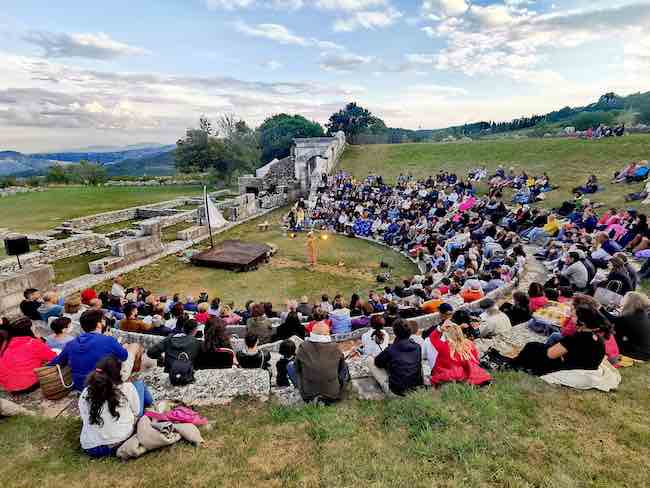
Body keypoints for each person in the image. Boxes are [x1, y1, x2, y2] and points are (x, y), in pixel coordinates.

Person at [79, 356, 153, 458]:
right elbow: (137, 413)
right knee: (139, 384)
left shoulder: (85, 392)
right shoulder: (127, 388)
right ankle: (152, 404)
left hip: (91, 447)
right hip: (121, 441)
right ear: (118, 373)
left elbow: (84, 418)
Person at [507, 305, 608, 375]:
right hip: (585, 366)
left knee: (531, 347)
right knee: (536, 346)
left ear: (582, 321)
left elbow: (550, 355)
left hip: (570, 368)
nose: (571, 317)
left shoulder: (578, 337)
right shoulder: (597, 337)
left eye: (574, 316)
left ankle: (511, 366)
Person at [50, 310, 129, 392]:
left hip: (80, 385)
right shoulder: (108, 340)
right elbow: (124, 356)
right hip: (103, 384)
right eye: (103, 320)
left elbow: (57, 361)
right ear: (99, 324)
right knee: (133, 347)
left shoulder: (71, 343)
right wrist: (122, 346)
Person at [289, 322, 349, 404]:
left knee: (290, 366)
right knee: (344, 366)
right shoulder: (336, 347)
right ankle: (338, 390)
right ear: (327, 333)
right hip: (333, 393)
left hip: (309, 394)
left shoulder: (303, 347)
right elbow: (341, 369)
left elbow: (296, 368)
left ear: (312, 333)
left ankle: (309, 391)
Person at [425, 320, 491, 387]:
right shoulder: (469, 344)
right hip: (469, 376)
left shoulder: (444, 346)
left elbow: (432, 337)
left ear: (446, 334)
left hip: (449, 377)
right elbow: (476, 360)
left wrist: (440, 328)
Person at [0, 317, 57, 394]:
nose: (34, 328)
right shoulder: (33, 343)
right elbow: (53, 357)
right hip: (27, 385)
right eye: (33, 326)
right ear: (28, 329)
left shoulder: (8, 342)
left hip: (10, 386)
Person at [371, 319, 423, 396]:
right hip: (416, 387)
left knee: (369, 360)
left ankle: (385, 387)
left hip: (397, 391)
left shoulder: (391, 349)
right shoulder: (417, 347)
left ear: (395, 332)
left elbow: (377, 362)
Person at [608, 292, 650, 360]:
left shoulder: (626, 317)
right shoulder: (643, 315)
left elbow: (616, 338)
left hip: (637, 354)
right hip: (646, 352)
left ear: (628, 302)